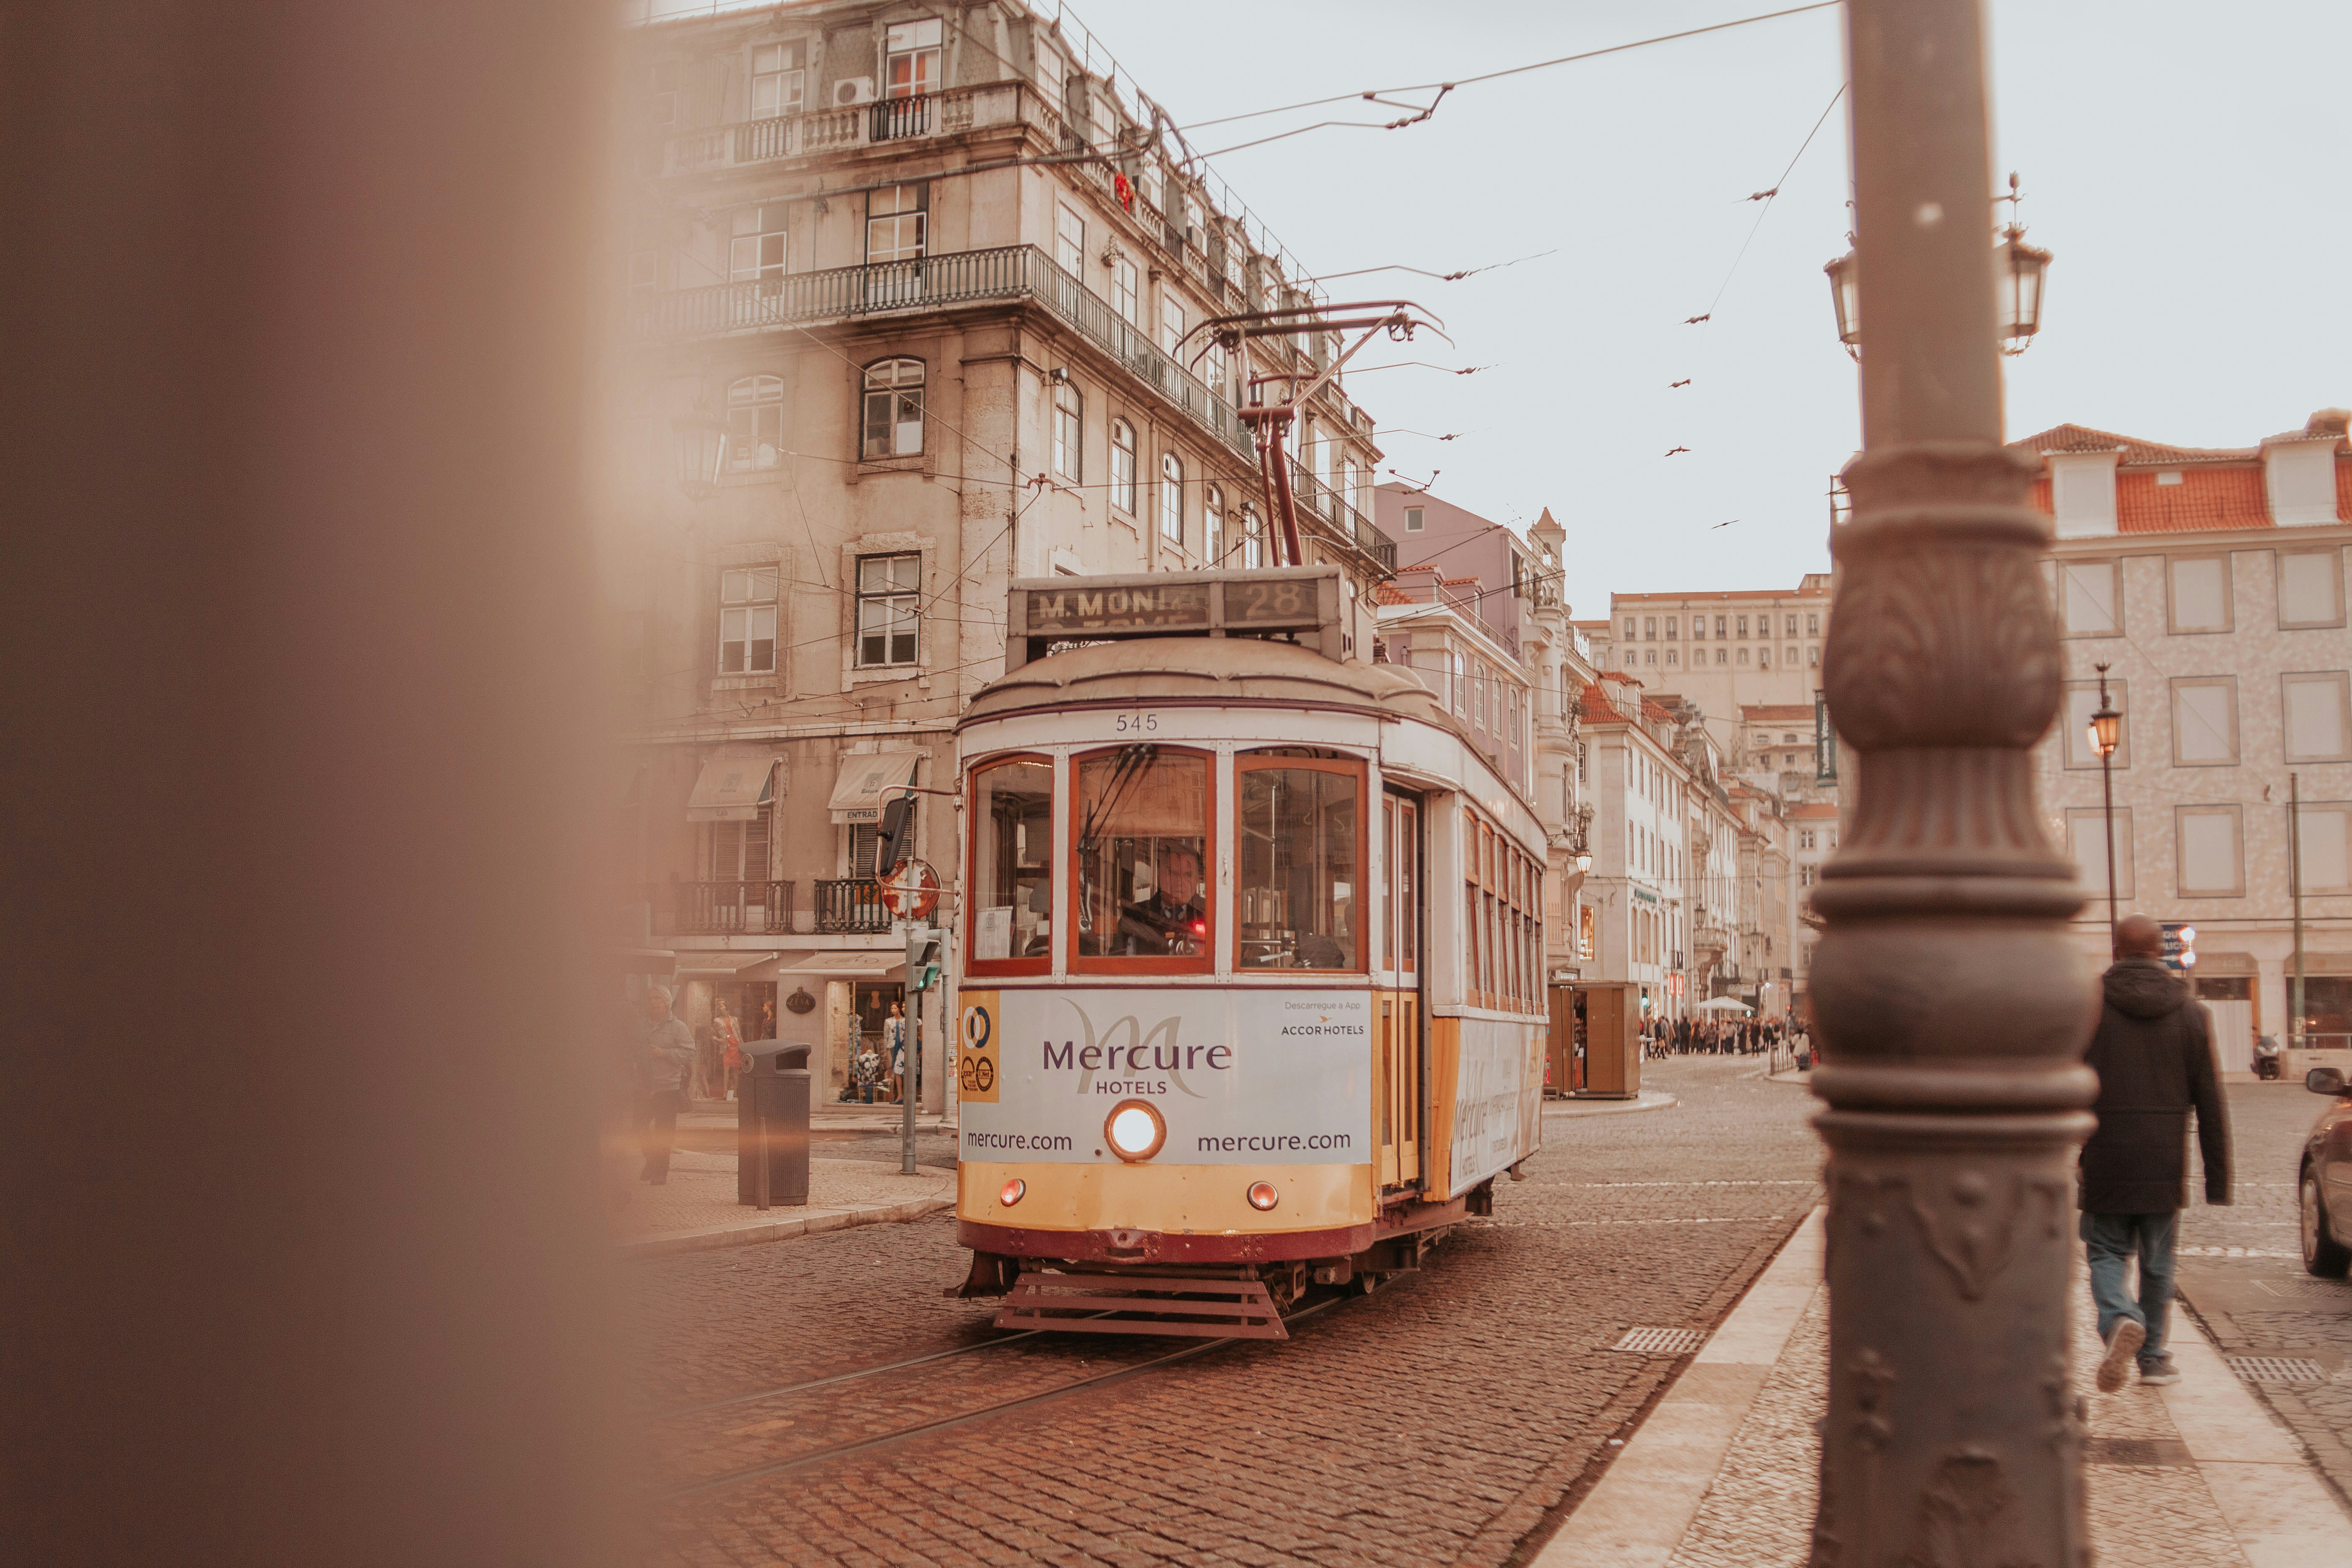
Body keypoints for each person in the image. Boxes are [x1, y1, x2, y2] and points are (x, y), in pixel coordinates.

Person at [2081, 914, 2231, 1392]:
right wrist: (2218, 1179)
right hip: (2165, 1161)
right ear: (2159, 953)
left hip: (2105, 1155)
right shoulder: (2192, 1014)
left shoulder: (2091, 1007)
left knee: (2105, 1251)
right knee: (2159, 1263)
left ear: (2116, 951)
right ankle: (2154, 1360)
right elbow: (2210, 1101)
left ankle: (2120, 1317)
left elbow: (2068, 1080)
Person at [635, 985, 696, 1185]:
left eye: (657, 999)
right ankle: (652, 1160)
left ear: (667, 1003)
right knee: (638, 1127)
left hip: (668, 1088)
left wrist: (665, 1053)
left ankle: (661, 1172)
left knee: (664, 1132)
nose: (653, 1003)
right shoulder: (641, 1026)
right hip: (644, 1087)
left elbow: (689, 1055)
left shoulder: (678, 1027)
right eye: (650, 999)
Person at [1117, 845, 1206, 956]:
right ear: (1160, 874)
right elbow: (1117, 963)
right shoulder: (1134, 917)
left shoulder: (1208, 921)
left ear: (1197, 880)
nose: (1180, 881)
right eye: (1173, 873)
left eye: (1188, 875)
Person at [884, 1000, 908, 1104]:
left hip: (903, 1046)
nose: (893, 1010)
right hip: (893, 1046)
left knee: (902, 1069)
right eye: (892, 1009)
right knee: (894, 1069)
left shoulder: (905, 1020)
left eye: (895, 1008)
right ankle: (896, 1094)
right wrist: (885, 1049)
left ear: (899, 1009)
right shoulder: (888, 1021)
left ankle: (903, 1094)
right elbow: (886, 1036)